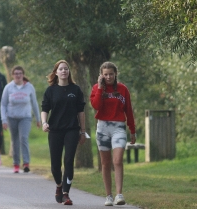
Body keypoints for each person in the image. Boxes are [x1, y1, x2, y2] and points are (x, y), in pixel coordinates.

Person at [90, 61, 136, 206]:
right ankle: (108, 195)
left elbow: (129, 110)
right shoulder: (97, 89)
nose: (108, 77)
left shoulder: (123, 89)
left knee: (117, 160)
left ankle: (119, 194)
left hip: (118, 127)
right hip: (102, 127)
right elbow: (96, 106)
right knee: (105, 163)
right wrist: (99, 88)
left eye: (111, 74)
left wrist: (132, 130)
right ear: (101, 75)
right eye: (106, 74)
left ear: (115, 74)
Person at [41, 60, 86, 206]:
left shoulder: (76, 90)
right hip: (55, 130)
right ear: (56, 72)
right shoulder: (51, 90)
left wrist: (83, 131)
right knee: (55, 165)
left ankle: (66, 193)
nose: (64, 71)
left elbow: (81, 111)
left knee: (68, 161)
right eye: (61, 69)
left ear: (69, 72)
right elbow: (45, 109)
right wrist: (44, 123)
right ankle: (59, 186)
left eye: (66, 69)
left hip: (72, 129)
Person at [1, 65, 41, 173]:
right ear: (13, 75)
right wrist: (4, 120)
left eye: (20, 73)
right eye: (16, 74)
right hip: (12, 117)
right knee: (14, 141)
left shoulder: (29, 87)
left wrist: (38, 119)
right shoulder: (8, 87)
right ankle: (16, 164)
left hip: (25, 117)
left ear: (23, 75)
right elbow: (3, 104)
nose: (18, 75)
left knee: (23, 138)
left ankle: (26, 163)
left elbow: (34, 103)